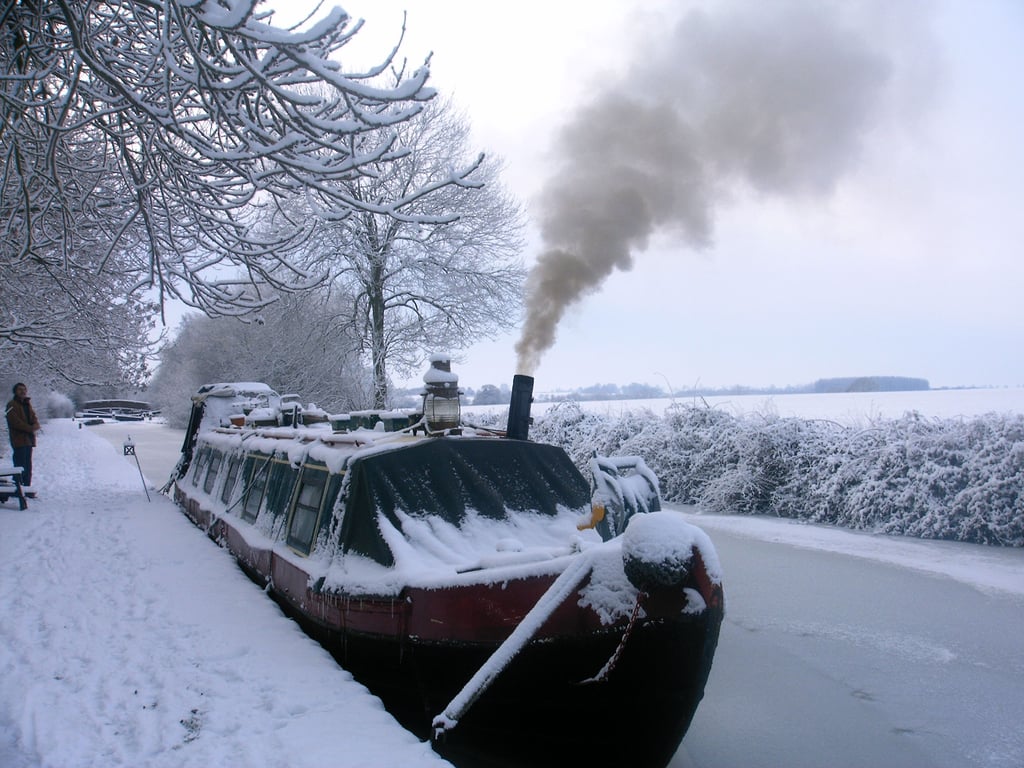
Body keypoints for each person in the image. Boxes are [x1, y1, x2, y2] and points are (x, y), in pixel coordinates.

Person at [6, 382, 41, 497]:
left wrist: (35, 425)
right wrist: (30, 428)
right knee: (20, 465)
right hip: (19, 440)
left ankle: (27, 488)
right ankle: (18, 489)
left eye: (24, 389)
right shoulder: (11, 405)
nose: (23, 391)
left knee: (28, 465)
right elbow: (15, 422)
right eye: (20, 389)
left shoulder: (27, 404)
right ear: (15, 391)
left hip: (29, 440)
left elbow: (33, 417)